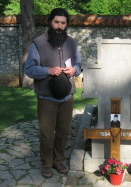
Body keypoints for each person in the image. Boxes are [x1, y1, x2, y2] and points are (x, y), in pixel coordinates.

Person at [24, 8, 81, 178]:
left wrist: (74, 70)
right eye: (56, 22)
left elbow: (79, 65)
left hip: (67, 96)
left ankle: (58, 161)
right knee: (47, 133)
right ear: (50, 22)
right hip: (46, 97)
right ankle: (47, 164)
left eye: (63, 23)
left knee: (63, 131)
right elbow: (29, 69)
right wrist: (48, 70)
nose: (59, 26)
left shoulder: (72, 43)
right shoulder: (38, 43)